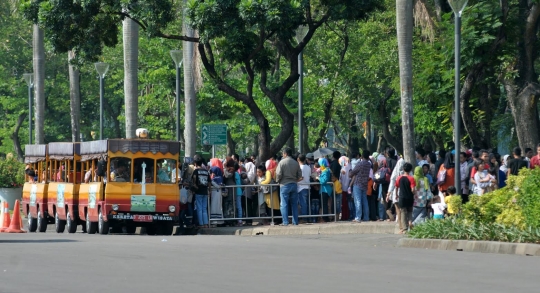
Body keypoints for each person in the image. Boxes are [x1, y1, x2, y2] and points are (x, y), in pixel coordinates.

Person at [275, 147, 302, 226]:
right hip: (294, 184)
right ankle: (295, 221)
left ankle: (285, 222)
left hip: (284, 185)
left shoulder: (282, 162)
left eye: (283, 153)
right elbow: (300, 175)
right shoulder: (295, 162)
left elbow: (278, 174)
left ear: (285, 154)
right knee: (294, 204)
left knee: (284, 204)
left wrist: (278, 181)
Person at [349, 150, 371, 223]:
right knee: (365, 201)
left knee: (357, 201)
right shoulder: (369, 164)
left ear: (362, 156)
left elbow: (352, 173)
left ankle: (358, 217)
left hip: (358, 183)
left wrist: (350, 173)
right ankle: (366, 217)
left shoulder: (360, 164)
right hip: (365, 184)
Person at [395, 162, 415, 233]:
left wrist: (396, 195)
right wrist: (414, 193)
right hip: (409, 197)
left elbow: (396, 187)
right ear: (410, 170)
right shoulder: (411, 178)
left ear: (403, 169)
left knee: (403, 212)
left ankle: (405, 228)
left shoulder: (399, 178)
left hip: (402, 197)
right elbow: (413, 189)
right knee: (410, 211)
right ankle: (410, 222)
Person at [191, 155, 211, 229]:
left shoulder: (196, 171)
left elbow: (194, 179)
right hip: (205, 191)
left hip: (198, 192)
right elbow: (209, 182)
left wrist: (194, 187)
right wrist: (210, 190)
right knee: (204, 208)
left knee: (199, 208)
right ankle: (206, 223)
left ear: (195, 163)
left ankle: (201, 224)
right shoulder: (206, 171)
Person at [317, 158, 333, 222]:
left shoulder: (326, 171)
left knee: (324, 205)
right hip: (325, 189)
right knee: (325, 204)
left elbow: (323, 181)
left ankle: (325, 218)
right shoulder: (326, 170)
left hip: (325, 190)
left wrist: (318, 178)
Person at [297, 154, 311, 222]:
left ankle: (304, 218)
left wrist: (295, 181)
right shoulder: (308, 167)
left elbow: (301, 177)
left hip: (301, 187)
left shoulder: (300, 168)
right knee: (306, 204)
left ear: (298, 160)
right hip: (307, 187)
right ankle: (307, 217)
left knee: (303, 204)